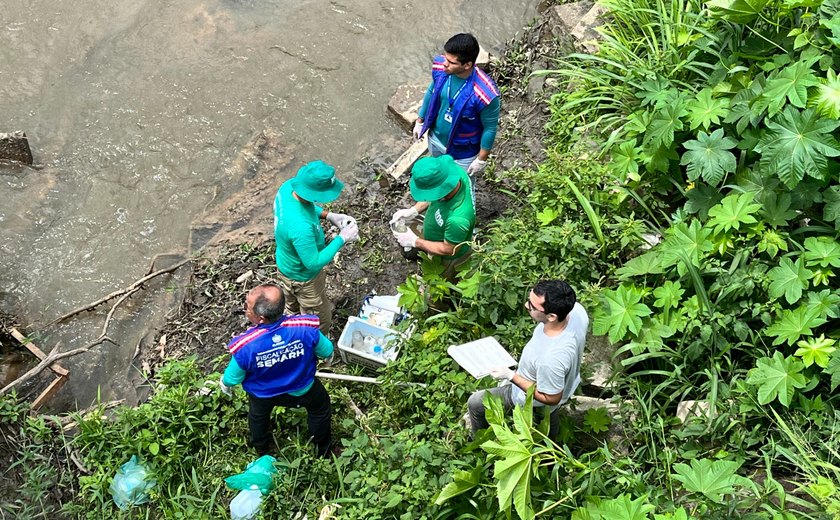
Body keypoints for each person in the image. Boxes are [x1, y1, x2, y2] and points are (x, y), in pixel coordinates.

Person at [219, 284, 335, 458]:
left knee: (258, 417)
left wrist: (225, 384)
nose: (245, 310)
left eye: (247, 307)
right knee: (320, 409)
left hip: (263, 394)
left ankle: (262, 449)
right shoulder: (305, 328)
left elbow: (232, 377)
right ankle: (323, 450)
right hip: (302, 387)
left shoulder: (246, 346)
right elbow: (327, 351)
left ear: (261, 318)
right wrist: (327, 359)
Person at [467, 280, 589, 439]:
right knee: (549, 427)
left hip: (532, 401)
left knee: (476, 403)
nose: (526, 305)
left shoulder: (550, 358)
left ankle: (480, 441)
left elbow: (551, 398)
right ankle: (550, 443)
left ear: (551, 316)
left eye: (532, 305)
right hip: (562, 382)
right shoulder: (577, 312)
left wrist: (510, 376)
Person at [274, 160, 358, 336]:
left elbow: (305, 204)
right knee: (319, 319)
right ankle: (316, 346)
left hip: (285, 265)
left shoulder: (287, 188)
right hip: (304, 278)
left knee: (291, 305)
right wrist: (342, 238)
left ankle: (293, 318)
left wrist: (328, 215)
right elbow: (313, 263)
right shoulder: (301, 227)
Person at [414, 33, 500, 176]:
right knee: (439, 176)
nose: (445, 64)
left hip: (463, 152)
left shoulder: (485, 95)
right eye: (446, 58)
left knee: (460, 188)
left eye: (452, 62)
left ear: (467, 65)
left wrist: (481, 159)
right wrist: (420, 120)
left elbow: (490, 128)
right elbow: (431, 91)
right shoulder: (441, 69)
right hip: (436, 138)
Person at [390, 155, 475, 278]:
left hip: (448, 256)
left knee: (443, 276)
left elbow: (449, 249)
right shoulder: (454, 174)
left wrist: (415, 242)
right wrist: (414, 210)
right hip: (442, 231)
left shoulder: (457, 219)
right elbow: (435, 194)